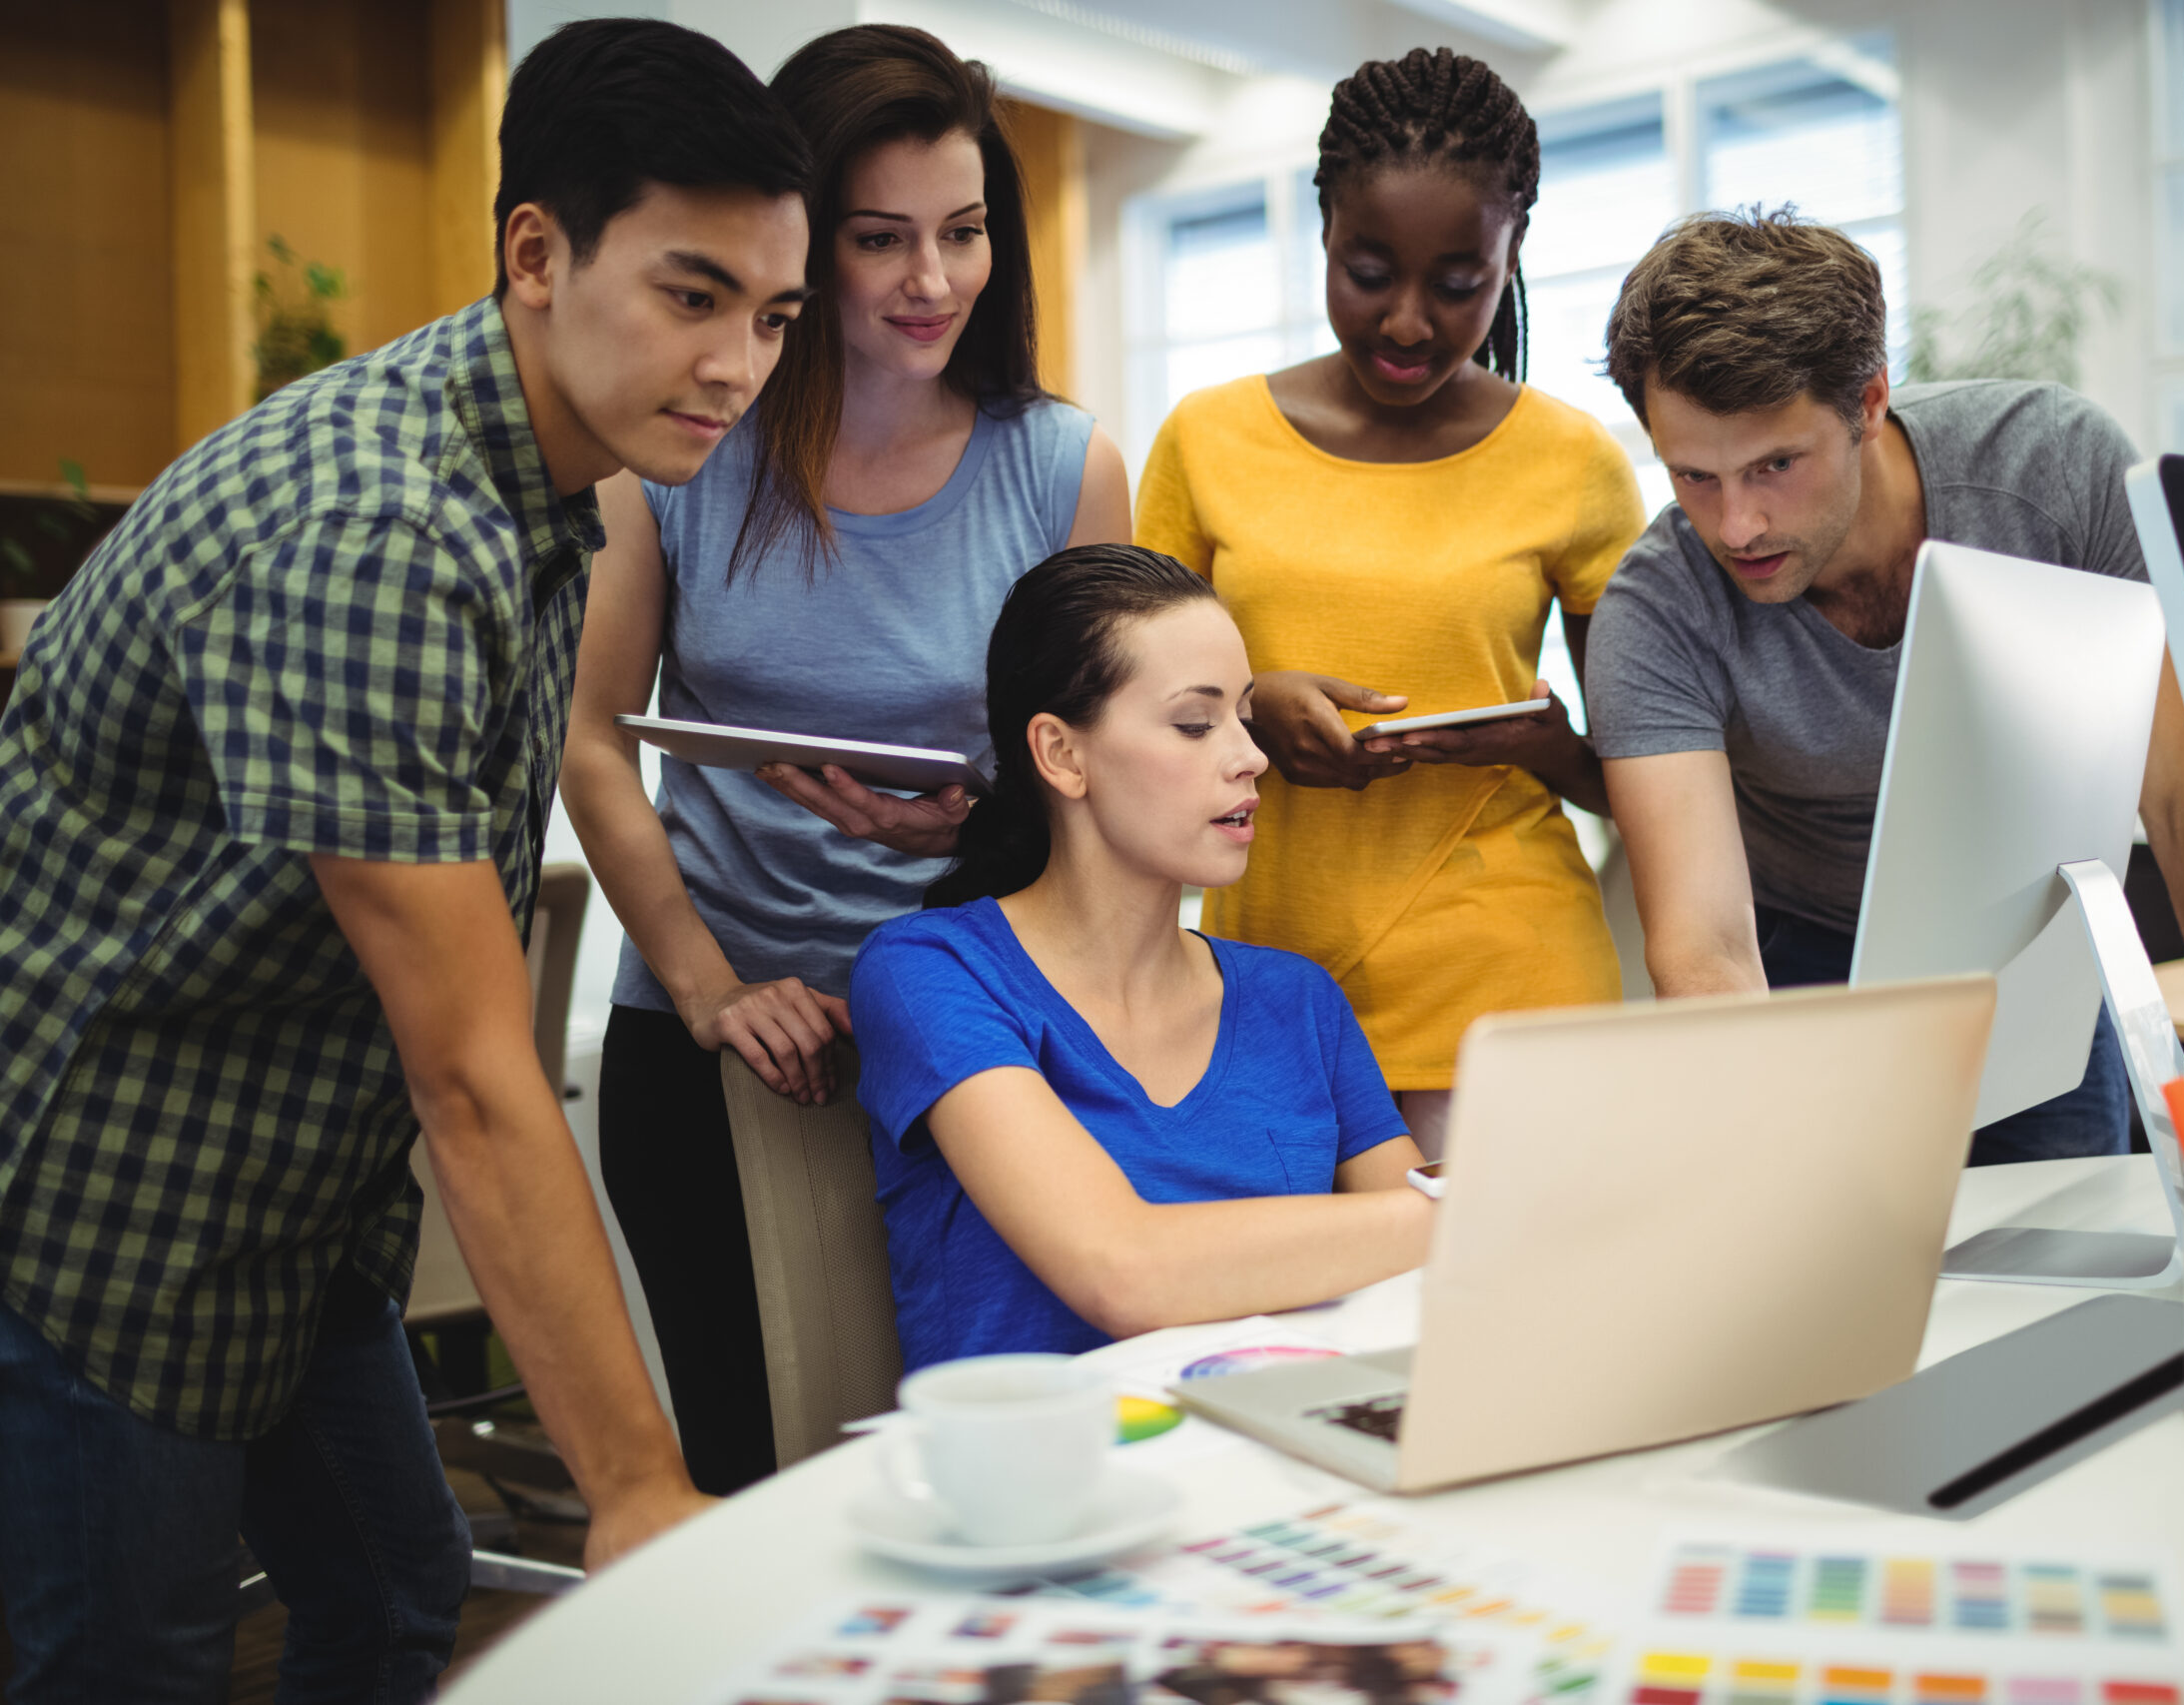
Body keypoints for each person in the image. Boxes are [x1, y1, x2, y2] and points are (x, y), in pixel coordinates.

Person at [0, 20, 809, 1701]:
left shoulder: (537, 484)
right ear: (537, 253)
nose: (740, 363)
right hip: (108, 1200)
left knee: (388, 1591)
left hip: (295, 1185)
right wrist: (640, 1486)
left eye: (774, 315)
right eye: (691, 294)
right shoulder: (382, 526)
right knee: (136, 1660)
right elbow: (472, 1072)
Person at [562, 23, 1129, 1493]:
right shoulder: (684, 451)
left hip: (981, 1047)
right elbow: (589, 736)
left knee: (980, 1473)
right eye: (881, 240)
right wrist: (712, 987)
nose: (932, 282)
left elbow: (1112, 785)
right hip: (715, 1046)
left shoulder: (1063, 464)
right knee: (762, 1483)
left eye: (964, 232)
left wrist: (979, 822)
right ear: (802, 241)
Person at [1586, 208, 2184, 1161]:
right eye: (1694, 476)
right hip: (1805, 969)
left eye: (1775, 465)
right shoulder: (1658, 610)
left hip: (2031, 955)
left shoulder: (2055, 472)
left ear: (1868, 401)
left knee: (2075, 1270)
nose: (1737, 523)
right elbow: (1705, 949)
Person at [1135, 49, 1645, 1156]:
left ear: (1509, 260)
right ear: (1322, 232)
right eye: (1370, 271)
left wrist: (1543, 744)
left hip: (1511, 977)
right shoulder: (1205, 442)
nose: (1409, 321)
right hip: (1261, 983)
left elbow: (1649, 785)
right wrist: (1250, 704)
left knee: (1505, 1321)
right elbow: (1128, 722)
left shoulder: (1572, 460)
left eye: (1458, 283)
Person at [846, 546, 1431, 1367]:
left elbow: (1437, 1280)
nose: (1251, 756)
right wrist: (1464, 1209)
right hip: (1049, 1478)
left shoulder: (1297, 998)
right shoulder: (929, 972)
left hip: (1279, 1451)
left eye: (1244, 716)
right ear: (1061, 754)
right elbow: (1122, 1271)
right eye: (1196, 723)